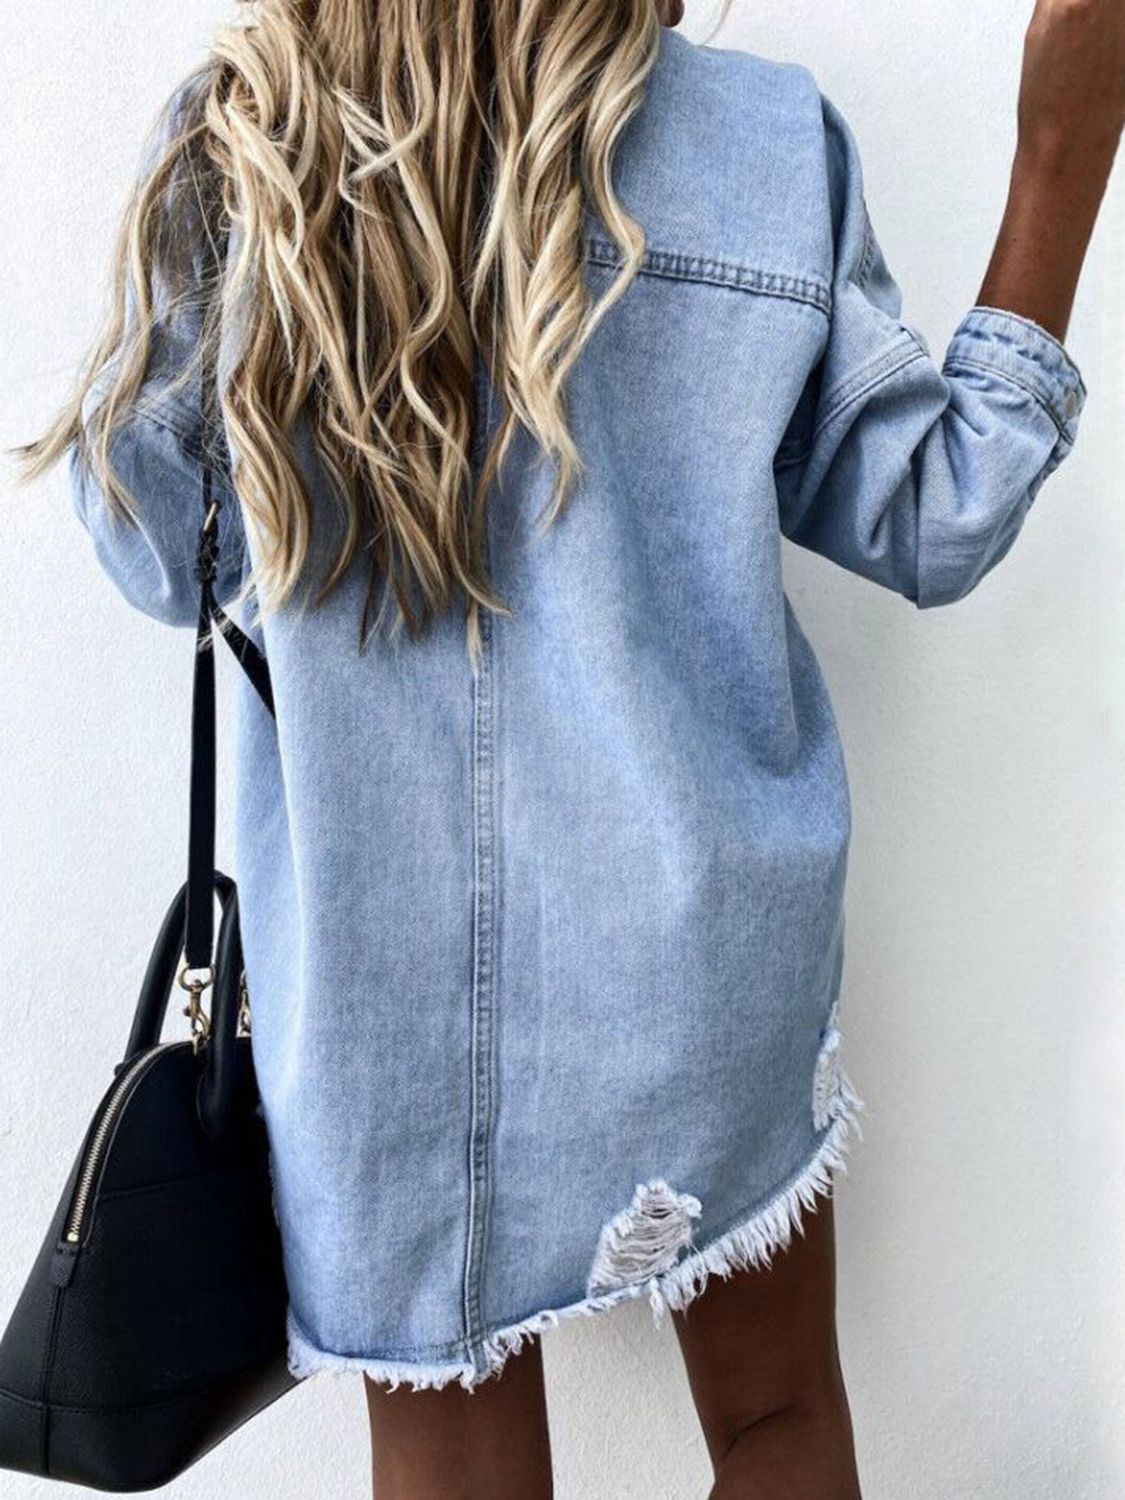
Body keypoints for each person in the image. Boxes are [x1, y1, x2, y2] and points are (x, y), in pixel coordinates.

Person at [18, 1, 1122, 1495]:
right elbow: (934, 513)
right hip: (699, 958)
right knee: (776, 1423)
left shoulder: (243, 141)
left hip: (378, 1006)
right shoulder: (757, 140)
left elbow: (161, 560)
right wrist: (1063, 143)